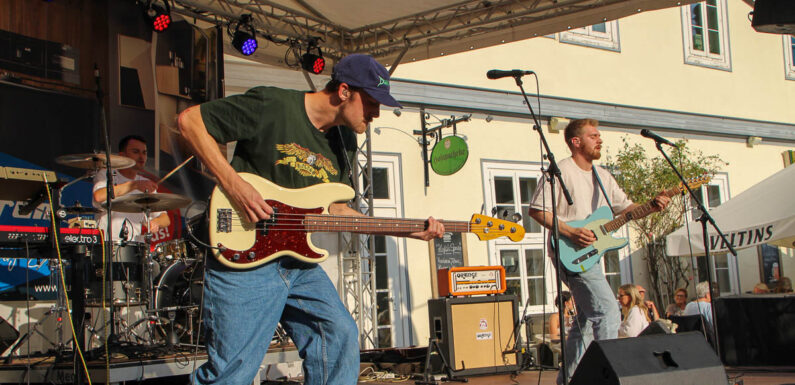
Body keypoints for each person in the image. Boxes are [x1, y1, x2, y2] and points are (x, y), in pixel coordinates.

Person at [177, 54, 445, 385]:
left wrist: (405, 230)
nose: (376, 113)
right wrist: (235, 185)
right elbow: (190, 121)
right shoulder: (272, 105)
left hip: (297, 261)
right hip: (244, 253)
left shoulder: (344, 140)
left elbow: (337, 210)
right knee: (233, 372)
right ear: (344, 91)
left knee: (339, 335)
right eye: (372, 103)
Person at [527, 118, 671, 384]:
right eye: (593, 136)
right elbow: (536, 210)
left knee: (584, 324)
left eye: (599, 135)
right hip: (570, 252)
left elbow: (627, 209)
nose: (599, 139)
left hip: (593, 254)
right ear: (576, 142)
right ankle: (607, 377)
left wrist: (652, 206)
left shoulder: (603, 176)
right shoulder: (561, 171)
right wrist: (571, 231)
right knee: (608, 311)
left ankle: (569, 380)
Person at [93, 135, 170, 242]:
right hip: (107, 243)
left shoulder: (145, 183)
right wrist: (134, 185)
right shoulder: (107, 174)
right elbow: (98, 196)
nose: (141, 157)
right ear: (122, 155)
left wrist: (155, 222)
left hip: (135, 245)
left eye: (144, 153)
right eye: (136, 152)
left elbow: (165, 218)